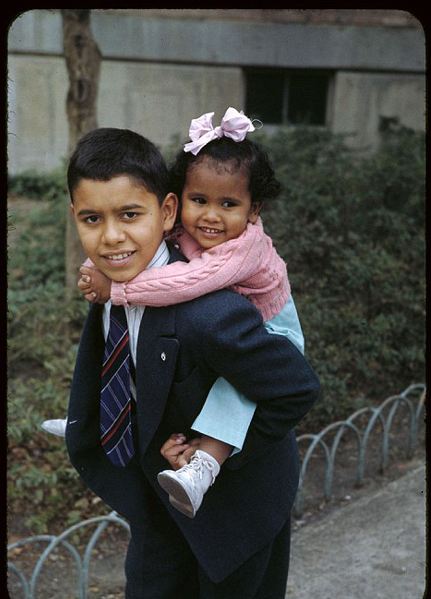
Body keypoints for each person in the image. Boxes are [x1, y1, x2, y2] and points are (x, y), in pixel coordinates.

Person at [63, 123, 319, 598]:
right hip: (158, 508)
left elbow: (297, 387)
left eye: (129, 215)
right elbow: (125, 363)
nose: (111, 237)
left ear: (166, 212)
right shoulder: (109, 278)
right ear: (73, 215)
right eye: (91, 219)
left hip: (234, 519)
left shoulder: (211, 313)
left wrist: (214, 449)